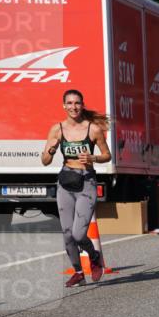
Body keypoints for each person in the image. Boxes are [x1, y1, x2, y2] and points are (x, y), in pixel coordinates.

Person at [40, 90, 111, 287]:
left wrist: (93, 158)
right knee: (67, 233)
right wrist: (51, 150)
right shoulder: (57, 129)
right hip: (65, 182)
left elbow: (107, 155)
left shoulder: (93, 129)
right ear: (64, 105)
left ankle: (94, 256)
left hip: (86, 182)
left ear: (82, 104)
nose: (73, 107)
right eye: (69, 103)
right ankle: (78, 272)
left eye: (77, 103)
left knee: (79, 234)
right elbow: (45, 161)